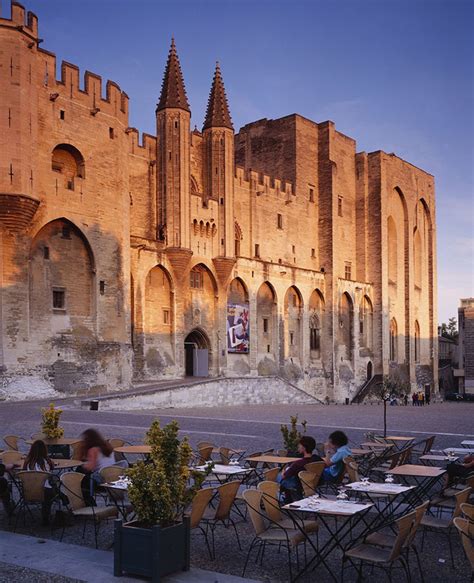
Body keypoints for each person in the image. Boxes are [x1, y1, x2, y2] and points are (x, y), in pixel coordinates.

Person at [277, 436, 322, 501]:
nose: (298, 446)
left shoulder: (298, 463)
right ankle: (287, 497)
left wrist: (283, 472)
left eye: (300, 445)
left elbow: (285, 476)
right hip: (314, 482)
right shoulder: (318, 459)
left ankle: (278, 497)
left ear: (304, 447)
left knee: (279, 476)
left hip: (300, 484)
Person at [78, 429, 116, 503]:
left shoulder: (93, 450)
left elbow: (91, 467)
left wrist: (82, 464)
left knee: (80, 472)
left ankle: (84, 499)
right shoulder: (107, 446)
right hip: (113, 477)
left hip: (101, 480)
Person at [23, 440, 55, 525]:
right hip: (44, 491)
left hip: (28, 491)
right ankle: (45, 517)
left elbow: (23, 473)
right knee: (52, 488)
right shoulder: (47, 461)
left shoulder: (27, 461)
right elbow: (51, 472)